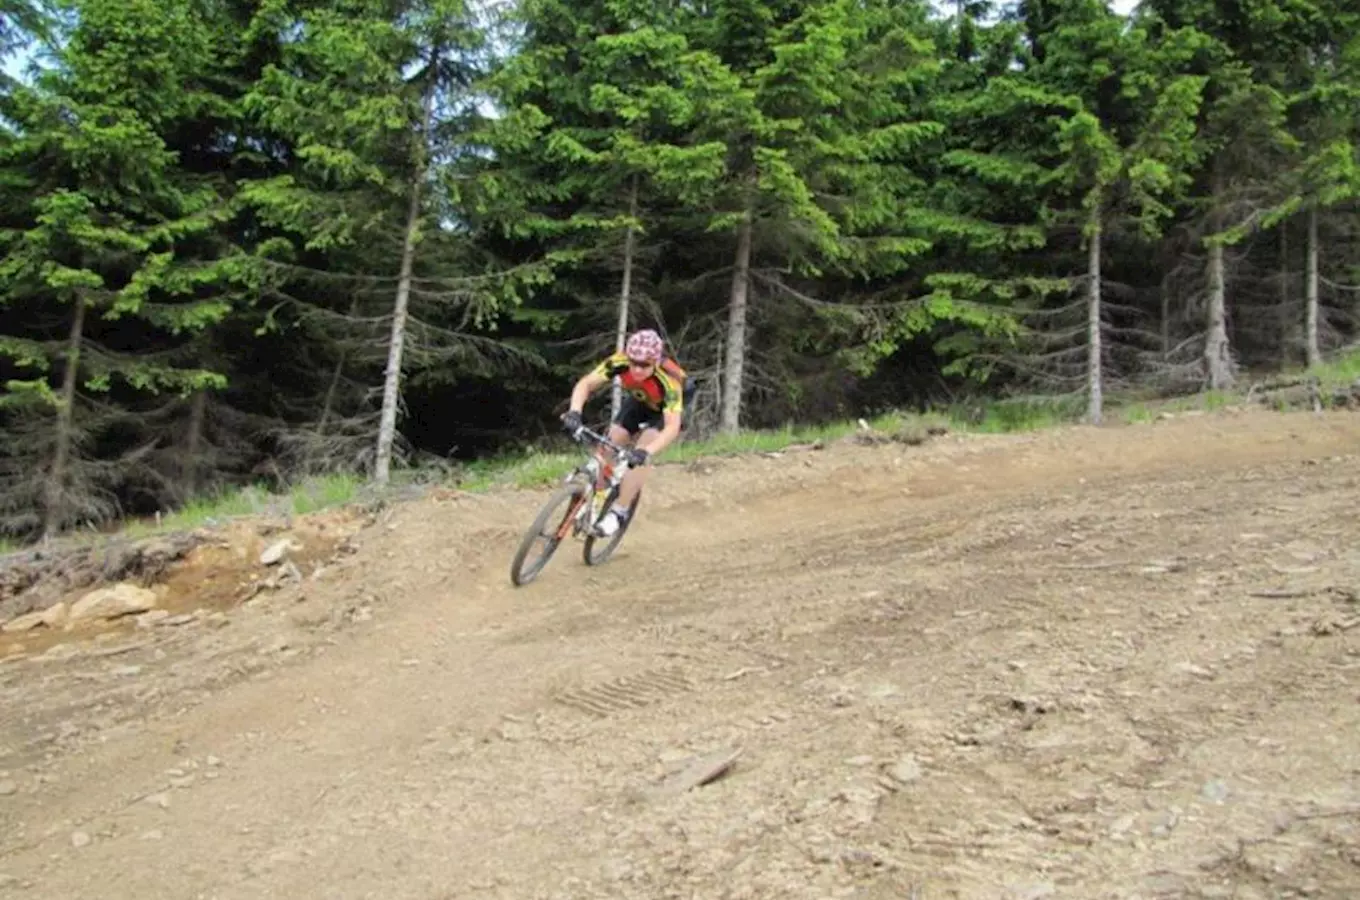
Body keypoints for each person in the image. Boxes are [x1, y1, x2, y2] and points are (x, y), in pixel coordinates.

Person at [560, 328, 694, 536]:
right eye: (634, 363)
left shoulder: (670, 383)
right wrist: (575, 412)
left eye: (644, 365)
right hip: (641, 400)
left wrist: (646, 452)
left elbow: (671, 427)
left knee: (643, 451)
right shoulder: (620, 361)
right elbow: (586, 384)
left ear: (656, 362)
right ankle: (598, 492)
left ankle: (619, 511)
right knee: (610, 443)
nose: (637, 369)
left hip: (663, 412)